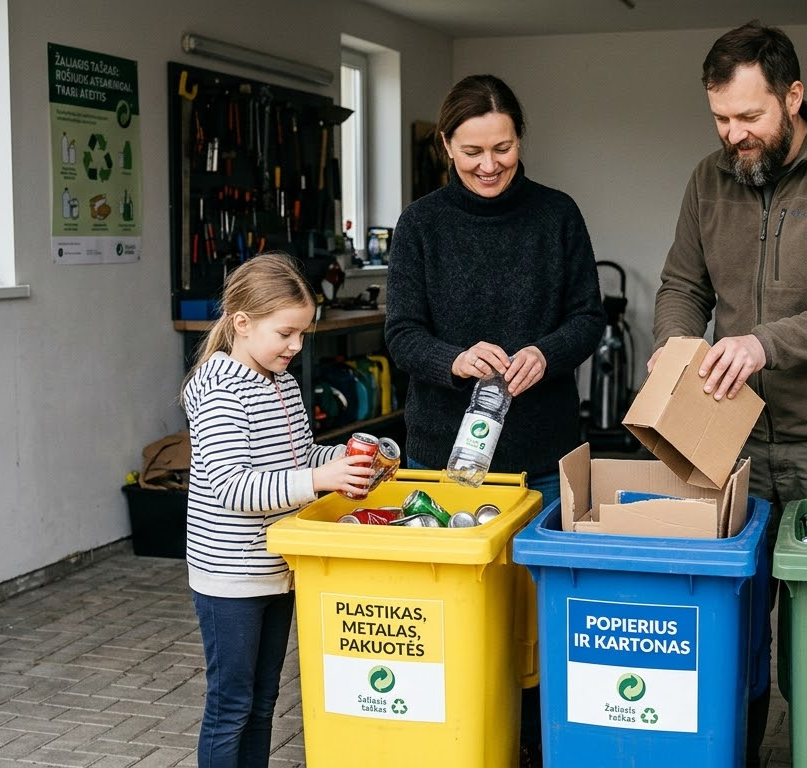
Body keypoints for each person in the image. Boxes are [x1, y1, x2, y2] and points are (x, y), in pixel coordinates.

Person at [650, 22, 807, 766]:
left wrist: (765, 343)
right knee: (732, 623)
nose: (735, 135)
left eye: (750, 117)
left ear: (794, 97)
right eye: (721, 119)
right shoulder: (708, 179)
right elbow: (682, 285)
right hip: (732, 441)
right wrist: (676, 349)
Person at [384, 74, 604, 766]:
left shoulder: (557, 214)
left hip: (543, 457)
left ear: (521, 139)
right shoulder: (421, 225)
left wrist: (547, 351)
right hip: (448, 464)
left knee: (541, 626)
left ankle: (539, 748)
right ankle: (461, 743)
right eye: (472, 150)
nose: (489, 165)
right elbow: (400, 334)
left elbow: (589, 318)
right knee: (459, 621)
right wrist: (453, 359)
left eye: (503, 148)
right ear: (446, 146)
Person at [182, 253, 374, 768]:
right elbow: (233, 487)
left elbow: (297, 460)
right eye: (286, 333)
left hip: (278, 567)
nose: (296, 346)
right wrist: (319, 481)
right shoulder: (221, 391)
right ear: (242, 324)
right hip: (231, 576)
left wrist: (346, 459)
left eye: (303, 334)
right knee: (231, 706)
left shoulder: (282, 383)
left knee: (264, 702)